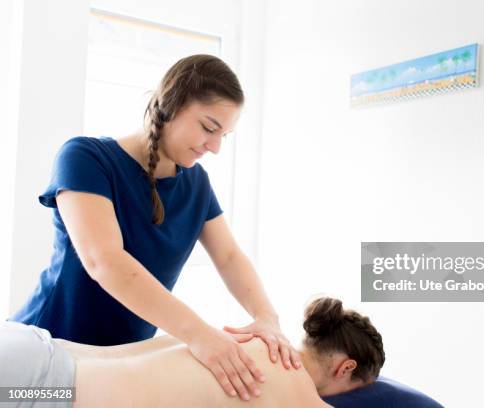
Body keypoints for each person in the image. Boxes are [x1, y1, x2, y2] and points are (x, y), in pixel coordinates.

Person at [9, 54, 299, 401]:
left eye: (225, 135)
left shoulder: (197, 185)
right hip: (47, 354)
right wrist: (200, 336)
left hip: (114, 372)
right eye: (209, 128)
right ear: (171, 105)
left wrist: (267, 317)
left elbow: (230, 257)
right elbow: (105, 261)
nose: (216, 147)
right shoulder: (85, 157)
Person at [0, 297, 385, 408]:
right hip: (43, 389)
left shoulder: (244, 338)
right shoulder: (299, 396)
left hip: (35, 350)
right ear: (345, 367)